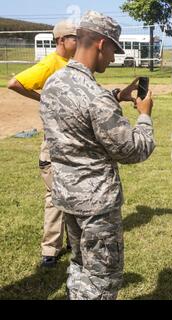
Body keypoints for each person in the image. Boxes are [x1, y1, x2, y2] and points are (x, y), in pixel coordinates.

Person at [40, 11, 156, 300]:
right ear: (101, 44)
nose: (114, 59)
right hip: (97, 206)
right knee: (102, 280)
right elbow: (132, 150)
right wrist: (144, 117)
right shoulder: (95, 97)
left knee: (80, 266)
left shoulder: (53, 84)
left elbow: (82, 102)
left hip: (67, 196)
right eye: (114, 51)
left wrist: (117, 94)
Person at [7, 20, 78, 268]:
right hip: (54, 142)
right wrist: (43, 98)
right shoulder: (50, 63)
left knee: (70, 190)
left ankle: (72, 241)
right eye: (74, 38)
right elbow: (15, 83)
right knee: (55, 194)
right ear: (61, 40)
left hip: (70, 139)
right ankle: (50, 249)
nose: (78, 42)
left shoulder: (73, 64)